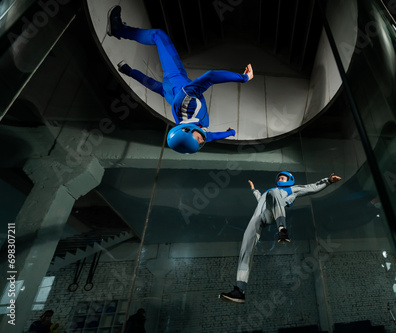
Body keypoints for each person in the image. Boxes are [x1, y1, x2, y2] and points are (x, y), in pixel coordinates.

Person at [106, 5, 254, 154]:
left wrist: (244, 78)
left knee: (159, 35)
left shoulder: (186, 102)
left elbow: (211, 76)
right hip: (170, 92)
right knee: (158, 88)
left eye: (198, 140)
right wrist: (230, 133)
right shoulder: (196, 131)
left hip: (175, 77)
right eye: (199, 143)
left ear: (187, 130)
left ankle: (118, 30)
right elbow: (211, 136)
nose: (202, 141)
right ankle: (127, 65)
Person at [220, 171, 342, 303]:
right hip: (258, 217)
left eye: (282, 177)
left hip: (273, 214)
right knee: (245, 249)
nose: (280, 179)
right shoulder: (270, 191)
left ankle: (282, 229)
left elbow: (311, 187)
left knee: (274, 193)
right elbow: (260, 198)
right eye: (279, 178)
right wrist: (254, 190)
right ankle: (239, 290)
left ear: (289, 179)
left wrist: (328, 181)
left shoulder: (292, 189)